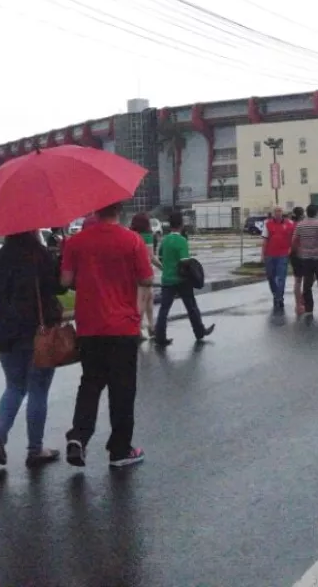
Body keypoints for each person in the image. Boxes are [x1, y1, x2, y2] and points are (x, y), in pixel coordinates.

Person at [61, 201, 155, 469]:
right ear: (119, 210)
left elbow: (65, 281)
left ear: (95, 211)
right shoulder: (132, 240)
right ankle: (120, 450)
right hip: (123, 326)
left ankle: (78, 436)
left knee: (90, 383)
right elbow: (147, 279)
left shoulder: (76, 242)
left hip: (89, 325)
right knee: (122, 389)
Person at [0, 230, 65, 467]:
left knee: (14, 387)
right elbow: (59, 287)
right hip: (38, 332)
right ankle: (35, 449)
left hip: (6, 335)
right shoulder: (40, 256)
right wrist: (60, 256)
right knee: (38, 390)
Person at [152, 212, 214, 346]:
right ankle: (199, 331)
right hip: (181, 280)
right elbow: (185, 261)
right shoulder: (182, 241)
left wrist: (168, 266)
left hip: (167, 279)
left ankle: (160, 336)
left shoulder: (165, 240)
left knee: (164, 309)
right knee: (191, 307)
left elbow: (160, 257)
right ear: (181, 224)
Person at [292, 204, 318, 315]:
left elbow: (294, 240)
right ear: (316, 213)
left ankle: (309, 308)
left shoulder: (300, 225)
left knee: (307, 284)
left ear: (307, 212)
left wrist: (296, 251)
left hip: (305, 257)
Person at [129, 214, 159, 337]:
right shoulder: (147, 236)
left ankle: (151, 327)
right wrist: (162, 267)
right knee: (144, 301)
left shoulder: (131, 235)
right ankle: (139, 330)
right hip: (145, 272)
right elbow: (151, 257)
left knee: (148, 298)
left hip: (133, 272)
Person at [261, 207, 295, 311]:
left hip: (283, 255)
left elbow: (294, 238)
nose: (278, 213)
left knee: (281, 277)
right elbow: (265, 240)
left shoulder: (289, 224)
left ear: (282, 212)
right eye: (276, 211)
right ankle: (276, 294)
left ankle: (279, 298)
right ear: (273, 213)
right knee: (270, 277)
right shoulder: (267, 224)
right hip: (270, 254)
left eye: (279, 211)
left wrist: (291, 249)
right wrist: (262, 254)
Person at [289, 206, 306, 313]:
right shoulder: (299, 226)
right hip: (300, 254)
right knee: (303, 279)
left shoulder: (291, 225)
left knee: (298, 280)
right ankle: (299, 303)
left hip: (294, 254)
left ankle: (298, 303)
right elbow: (295, 240)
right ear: (301, 215)